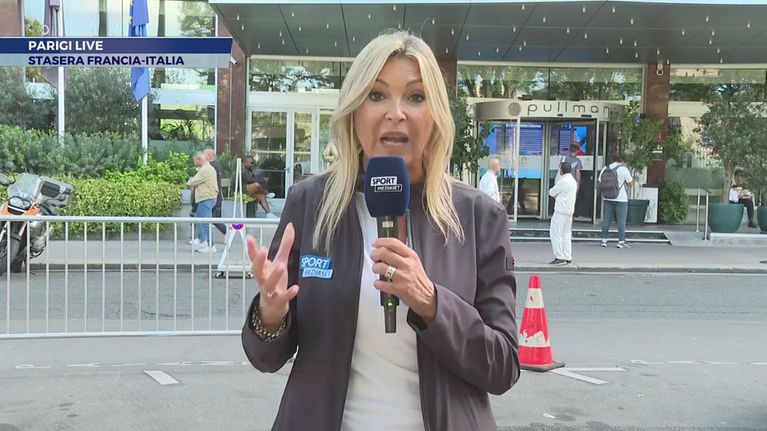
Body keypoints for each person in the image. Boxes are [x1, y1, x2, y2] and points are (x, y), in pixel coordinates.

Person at [241, 31, 519, 431]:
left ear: (436, 116)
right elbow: (264, 357)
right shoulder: (310, 204)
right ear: (354, 112)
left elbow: (503, 366)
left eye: (416, 96)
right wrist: (270, 316)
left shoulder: (478, 216)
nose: (396, 113)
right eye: (377, 95)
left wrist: (432, 302)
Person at [598, 153, 633, 248]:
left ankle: (604, 240)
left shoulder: (605, 169)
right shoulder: (624, 169)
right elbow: (630, 183)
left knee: (606, 219)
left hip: (607, 197)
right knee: (621, 220)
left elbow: (600, 182)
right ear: (622, 160)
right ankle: (621, 241)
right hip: (621, 199)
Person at [187, 152, 218, 253]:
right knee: (199, 217)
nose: (194, 163)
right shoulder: (207, 169)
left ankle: (211, 245)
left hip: (206, 198)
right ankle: (204, 240)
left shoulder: (205, 170)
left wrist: (190, 181)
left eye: (195, 161)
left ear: (199, 159)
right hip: (206, 198)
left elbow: (192, 182)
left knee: (205, 221)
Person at [549, 161, 577, 265]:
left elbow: (552, 192)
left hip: (560, 211)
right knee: (566, 234)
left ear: (562, 170)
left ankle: (560, 256)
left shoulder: (563, 181)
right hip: (569, 211)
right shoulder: (573, 181)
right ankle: (567, 256)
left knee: (556, 233)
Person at [203, 148, 227, 235]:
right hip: (216, 196)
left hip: (212, 196)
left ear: (209, 156)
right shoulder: (217, 165)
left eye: (204, 154)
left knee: (214, 219)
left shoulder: (211, 166)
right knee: (213, 218)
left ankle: (227, 232)